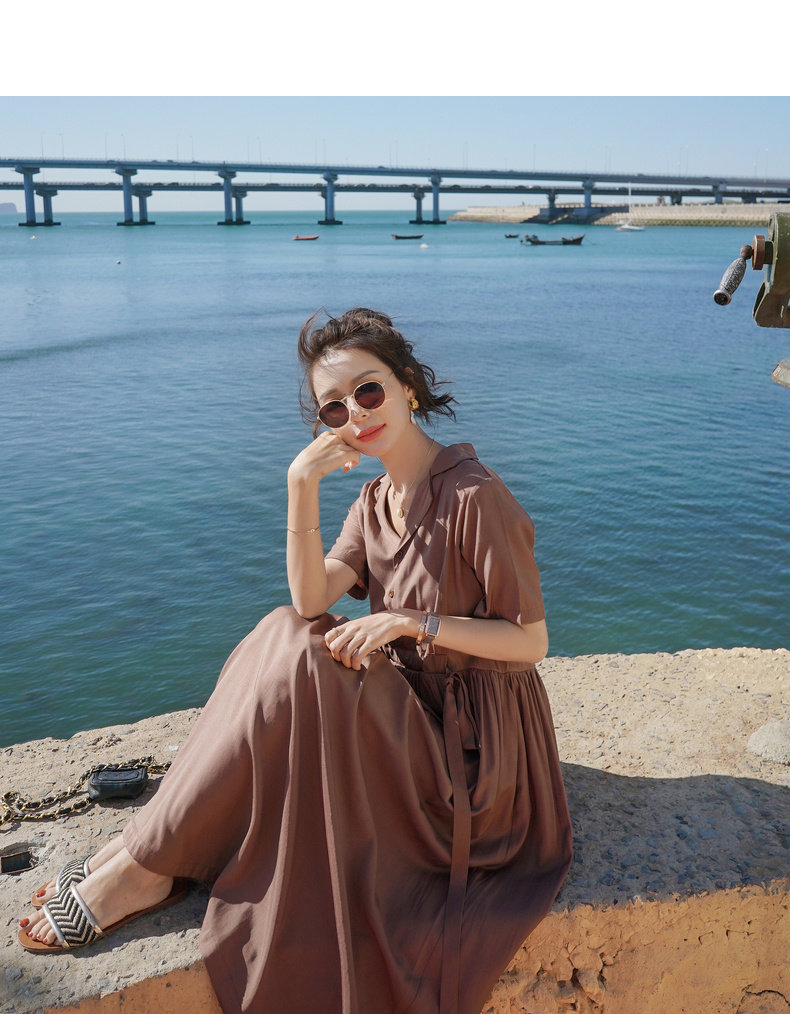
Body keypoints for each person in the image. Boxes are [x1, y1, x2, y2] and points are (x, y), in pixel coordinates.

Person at [18, 307, 572, 1014]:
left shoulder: (474, 495)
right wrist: (299, 486)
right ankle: (143, 855)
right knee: (284, 629)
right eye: (334, 407)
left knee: (298, 650)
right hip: (410, 725)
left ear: (407, 385)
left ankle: (143, 864)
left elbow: (531, 642)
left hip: (475, 762)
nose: (356, 414)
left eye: (368, 391)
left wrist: (410, 621)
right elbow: (311, 598)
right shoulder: (375, 501)